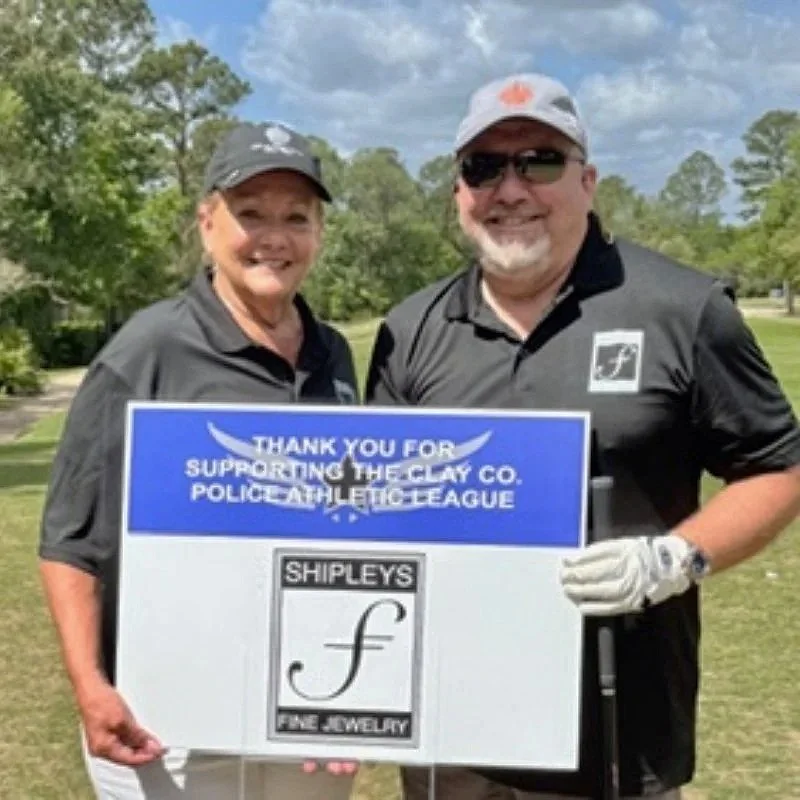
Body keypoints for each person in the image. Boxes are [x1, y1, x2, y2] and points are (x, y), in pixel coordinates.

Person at [365, 72, 800, 800]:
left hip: (620, 730)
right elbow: (370, 520)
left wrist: (674, 558)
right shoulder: (409, 330)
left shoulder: (683, 309)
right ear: (458, 192)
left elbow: (777, 469)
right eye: (484, 167)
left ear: (588, 180)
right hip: (454, 731)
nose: (511, 189)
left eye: (539, 161)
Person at [38, 122, 360, 799]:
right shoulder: (146, 351)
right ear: (207, 221)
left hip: (305, 708)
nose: (275, 236)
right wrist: (90, 686)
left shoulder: (335, 354)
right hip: (166, 718)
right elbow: (70, 538)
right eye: (251, 213)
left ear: (319, 233)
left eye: (296, 217)